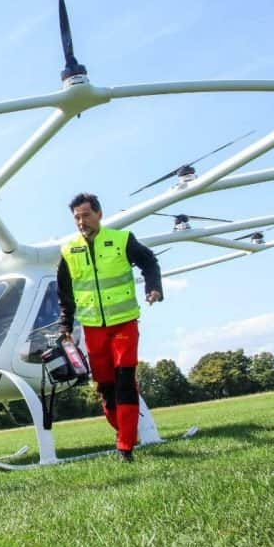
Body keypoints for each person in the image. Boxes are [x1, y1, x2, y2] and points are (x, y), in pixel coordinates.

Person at [56, 192, 162, 462]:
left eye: (86, 215)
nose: (82, 221)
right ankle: (125, 431)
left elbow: (149, 262)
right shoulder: (68, 251)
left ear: (99, 214)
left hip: (124, 323)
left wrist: (153, 288)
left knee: (125, 380)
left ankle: (125, 445)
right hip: (93, 328)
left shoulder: (122, 240)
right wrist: (65, 324)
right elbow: (65, 294)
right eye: (77, 217)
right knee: (104, 385)